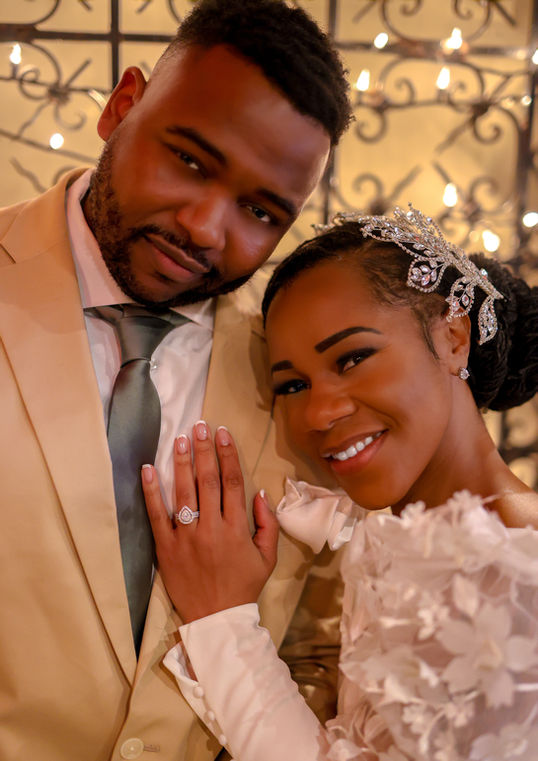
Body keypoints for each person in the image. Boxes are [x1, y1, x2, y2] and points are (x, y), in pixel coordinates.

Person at [0, 1, 352, 759]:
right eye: (190, 161)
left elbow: (319, 656)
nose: (205, 227)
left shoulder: (303, 374)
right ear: (121, 106)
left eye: (260, 211)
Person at [142, 205, 538, 761]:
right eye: (292, 385)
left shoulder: (512, 572)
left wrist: (222, 618)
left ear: (453, 336)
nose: (319, 413)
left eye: (353, 358)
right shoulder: (410, 542)